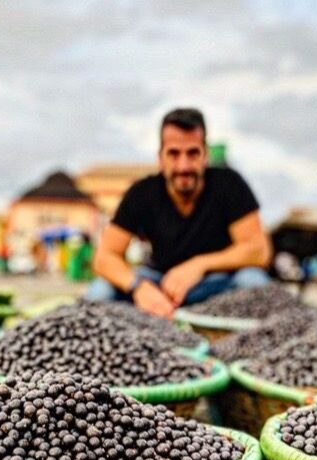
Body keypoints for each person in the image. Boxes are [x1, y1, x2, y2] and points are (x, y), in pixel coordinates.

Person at [86, 108, 271, 317]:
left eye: (192, 153)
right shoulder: (141, 193)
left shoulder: (229, 185)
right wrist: (138, 286)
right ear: (160, 158)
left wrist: (199, 265)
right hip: (159, 284)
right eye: (173, 154)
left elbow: (258, 251)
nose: (183, 166)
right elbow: (104, 257)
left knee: (254, 282)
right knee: (100, 291)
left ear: (205, 155)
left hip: (216, 285)